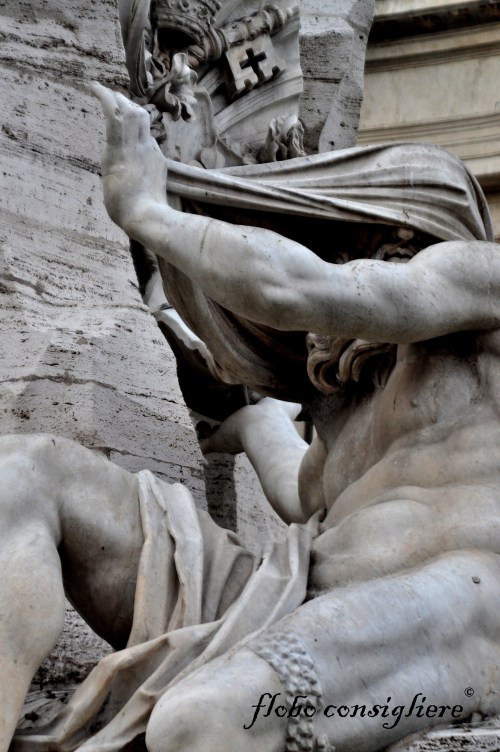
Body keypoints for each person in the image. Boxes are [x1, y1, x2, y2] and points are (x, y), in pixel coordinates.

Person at [4, 84, 500, 752]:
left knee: (202, 719)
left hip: (460, 604)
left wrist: (148, 212)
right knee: (22, 473)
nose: (315, 334)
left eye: (334, 247)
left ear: (401, 240)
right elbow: (294, 482)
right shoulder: (348, 420)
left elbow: (296, 288)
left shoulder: (483, 286)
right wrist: (244, 419)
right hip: (289, 591)